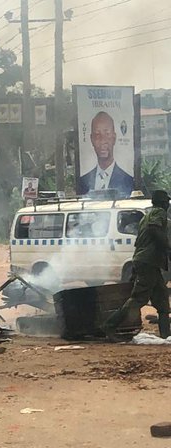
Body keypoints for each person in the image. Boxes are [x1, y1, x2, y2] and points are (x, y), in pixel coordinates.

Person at [103, 190, 170, 340]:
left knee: (162, 298)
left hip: (147, 261)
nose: (167, 205)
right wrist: (167, 246)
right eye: (166, 202)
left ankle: (166, 334)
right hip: (148, 261)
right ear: (163, 203)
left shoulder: (145, 217)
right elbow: (154, 230)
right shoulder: (159, 213)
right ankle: (110, 325)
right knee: (139, 298)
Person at [77, 111, 134, 197]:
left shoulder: (128, 180)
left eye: (107, 134)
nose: (102, 140)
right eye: (97, 134)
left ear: (114, 138)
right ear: (91, 139)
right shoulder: (83, 182)